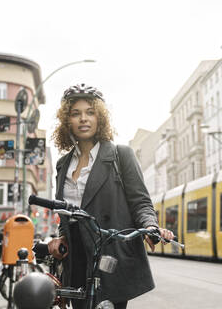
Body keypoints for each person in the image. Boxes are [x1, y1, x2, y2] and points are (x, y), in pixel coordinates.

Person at [47, 84, 173, 309]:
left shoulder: (120, 155)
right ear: (67, 120)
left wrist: (150, 225)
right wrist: (62, 236)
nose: (83, 119)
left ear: (100, 117)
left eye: (90, 112)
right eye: (76, 114)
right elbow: (66, 212)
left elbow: (141, 202)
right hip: (75, 258)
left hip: (108, 253)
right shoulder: (62, 164)